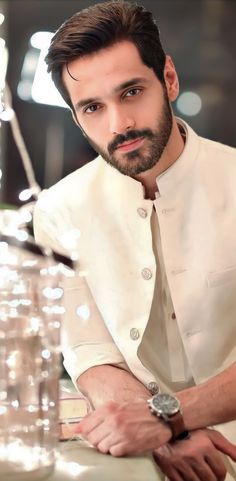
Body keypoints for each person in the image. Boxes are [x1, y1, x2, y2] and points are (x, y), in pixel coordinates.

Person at [33, 2, 236, 480]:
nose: (118, 124)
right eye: (93, 107)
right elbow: (90, 354)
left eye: (131, 92)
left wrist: (171, 418)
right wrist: (166, 429)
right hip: (138, 447)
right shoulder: (59, 210)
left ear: (167, 79)